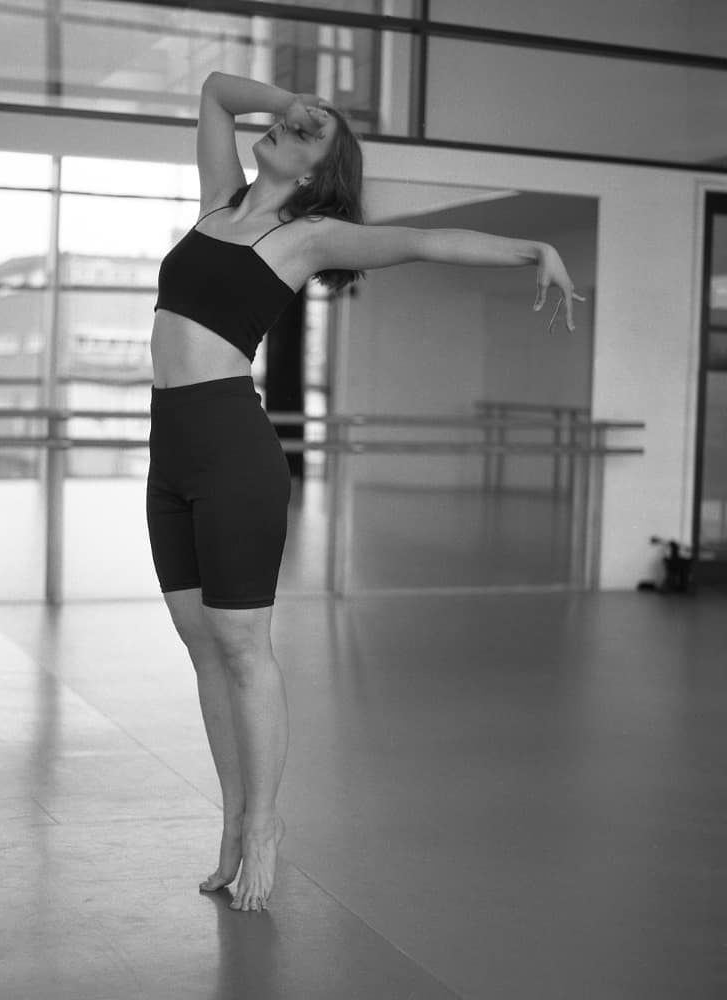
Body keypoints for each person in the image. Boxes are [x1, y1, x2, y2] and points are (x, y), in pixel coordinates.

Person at [146, 71, 584, 913]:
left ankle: (266, 824)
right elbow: (213, 93)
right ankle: (232, 824)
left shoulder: (308, 237)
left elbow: (423, 243)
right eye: (290, 121)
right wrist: (294, 104)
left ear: (316, 173)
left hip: (233, 451)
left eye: (305, 134)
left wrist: (534, 250)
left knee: (241, 645)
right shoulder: (217, 200)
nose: (289, 127)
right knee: (202, 647)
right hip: (170, 453)